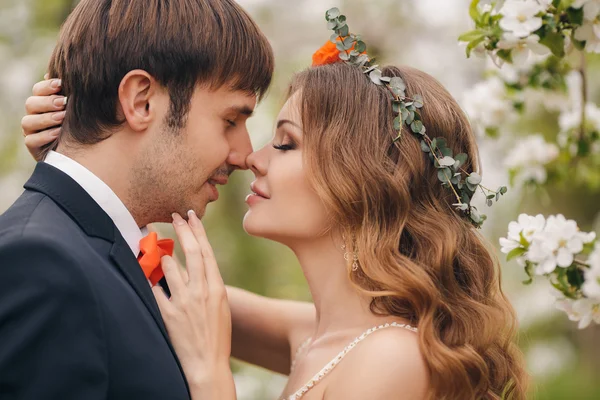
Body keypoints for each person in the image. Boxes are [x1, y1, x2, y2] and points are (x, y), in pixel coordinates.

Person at [20, 10, 529, 400]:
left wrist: (212, 377)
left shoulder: (390, 359)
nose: (250, 158)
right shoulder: (313, 334)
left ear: (361, 179)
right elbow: (129, 277)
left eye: (284, 143)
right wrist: (79, 148)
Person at [0, 0, 273, 398]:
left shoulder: (100, 255)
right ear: (141, 100)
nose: (245, 154)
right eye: (230, 120)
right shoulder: (42, 264)